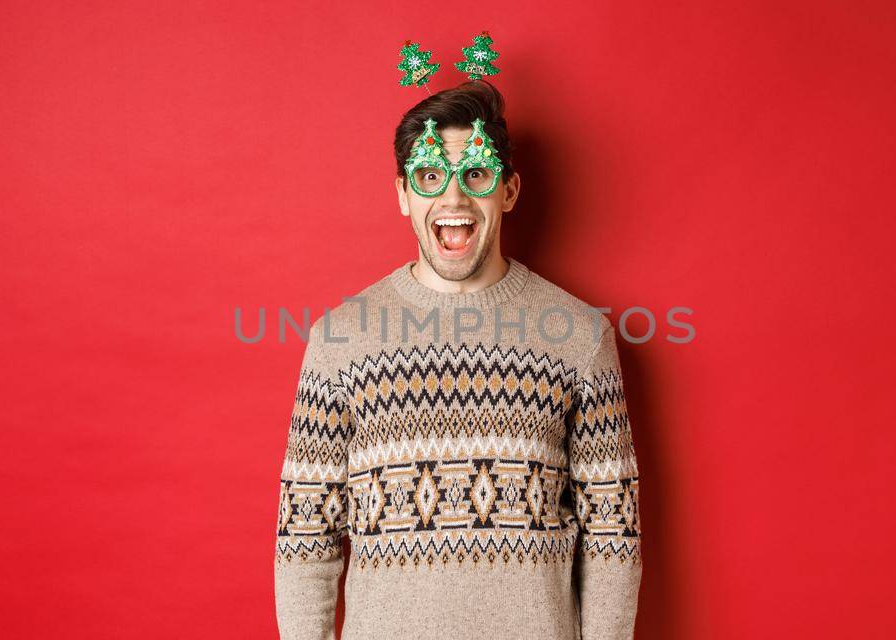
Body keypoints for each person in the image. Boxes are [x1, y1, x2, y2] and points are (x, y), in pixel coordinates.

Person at [273, 79, 643, 639]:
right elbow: (306, 541)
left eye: (475, 174)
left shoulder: (581, 338)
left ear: (509, 190)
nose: (452, 200)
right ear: (402, 194)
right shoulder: (338, 342)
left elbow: (613, 537)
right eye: (429, 177)